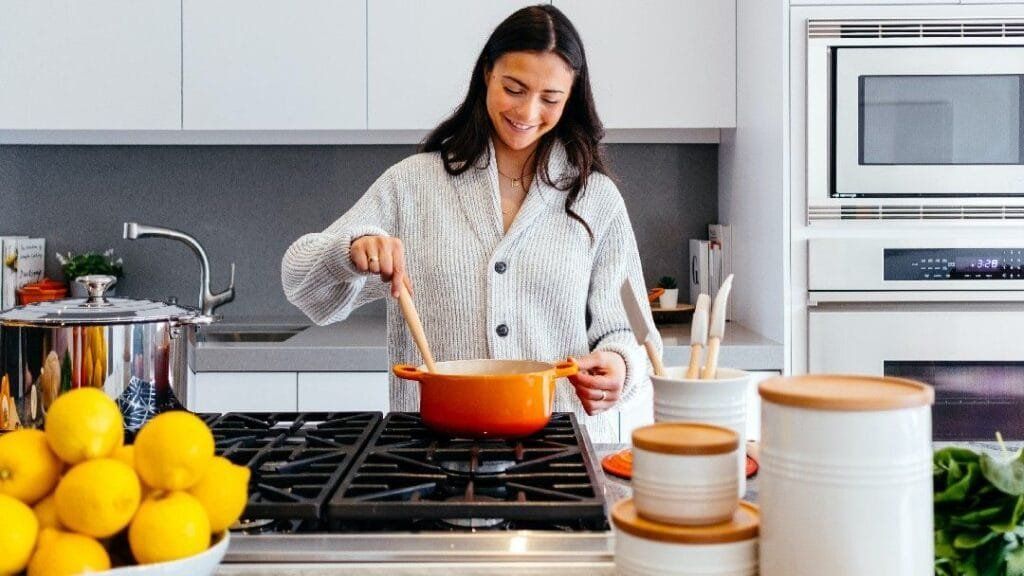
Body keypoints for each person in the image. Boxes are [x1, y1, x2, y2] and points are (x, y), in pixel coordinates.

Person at [281, 4, 660, 443]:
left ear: (571, 97)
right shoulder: (415, 184)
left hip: (555, 455)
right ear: (486, 74)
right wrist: (349, 251)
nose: (528, 111)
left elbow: (629, 331)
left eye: (550, 98)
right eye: (514, 88)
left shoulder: (595, 198)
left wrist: (618, 365)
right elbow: (301, 284)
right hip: (428, 453)